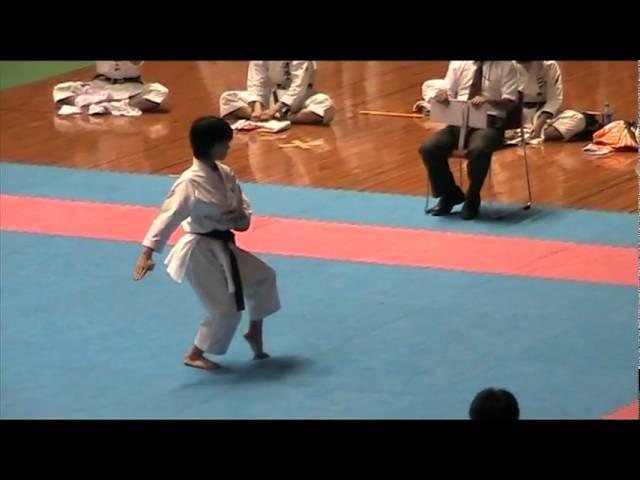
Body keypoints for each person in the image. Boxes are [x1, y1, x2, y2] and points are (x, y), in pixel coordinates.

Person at [133, 116, 281, 370]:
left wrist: (240, 217)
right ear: (210, 145)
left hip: (223, 245)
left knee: (263, 276)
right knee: (225, 310)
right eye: (225, 143)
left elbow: (241, 205)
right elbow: (168, 216)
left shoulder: (224, 173)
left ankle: (254, 331)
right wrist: (147, 253)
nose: (229, 147)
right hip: (199, 252)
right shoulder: (189, 183)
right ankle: (194, 354)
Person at [418, 61, 519, 220]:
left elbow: (510, 102)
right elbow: (449, 92)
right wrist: (444, 98)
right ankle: (450, 194)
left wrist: (489, 100)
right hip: (459, 121)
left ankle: (473, 198)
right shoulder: (458, 63)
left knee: (478, 150)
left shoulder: (506, 66)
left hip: (489, 123)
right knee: (429, 148)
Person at [219, 61, 335, 125]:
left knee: (326, 105)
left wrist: (273, 110)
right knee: (227, 98)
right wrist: (257, 107)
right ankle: (260, 117)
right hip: (275, 95)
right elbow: (255, 81)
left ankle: (288, 119)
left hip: (302, 97)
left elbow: (299, 86)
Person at [513, 60, 598, 141]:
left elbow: (554, 99)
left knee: (577, 119)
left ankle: (531, 136)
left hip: (541, 113)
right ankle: (527, 136)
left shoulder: (549, 65)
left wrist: (539, 124)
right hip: (516, 113)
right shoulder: (505, 66)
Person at [53, 61, 169, 116]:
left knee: (159, 92)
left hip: (131, 88)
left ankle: (117, 105)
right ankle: (96, 104)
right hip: (100, 87)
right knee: (60, 89)